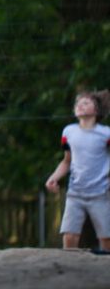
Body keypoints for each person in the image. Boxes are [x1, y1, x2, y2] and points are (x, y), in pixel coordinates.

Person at [45, 90, 110, 250]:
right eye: (77, 103)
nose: (80, 105)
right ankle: (70, 270)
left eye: (86, 103)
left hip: (100, 194)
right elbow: (67, 161)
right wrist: (54, 177)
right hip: (75, 194)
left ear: (96, 110)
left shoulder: (106, 134)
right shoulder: (68, 132)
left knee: (106, 238)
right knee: (69, 236)